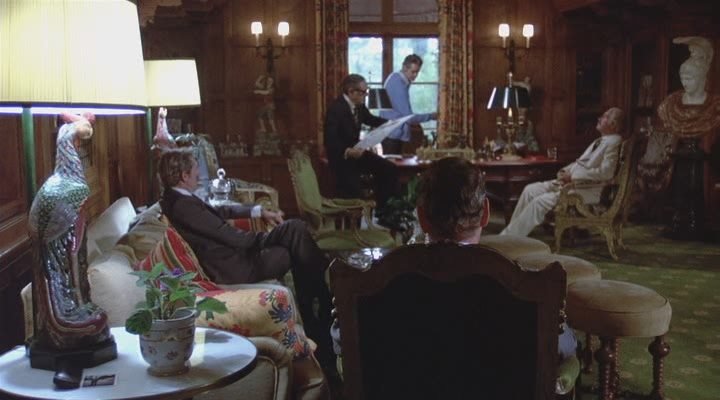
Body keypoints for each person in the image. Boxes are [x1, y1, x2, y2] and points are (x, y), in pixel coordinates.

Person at [157, 148, 335, 373]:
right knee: (295, 229)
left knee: (291, 250)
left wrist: (258, 211)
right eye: (195, 170)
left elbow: (219, 212)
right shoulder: (183, 205)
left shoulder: (178, 198)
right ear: (184, 176)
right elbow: (229, 236)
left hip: (230, 259)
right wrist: (265, 238)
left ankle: (315, 304)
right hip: (231, 268)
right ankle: (325, 294)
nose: (198, 174)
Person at [501, 107, 624, 237]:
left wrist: (573, 176)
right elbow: (581, 162)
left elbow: (606, 172)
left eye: (604, 117)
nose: (599, 118)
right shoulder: (599, 141)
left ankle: (508, 238)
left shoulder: (614, 142)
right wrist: (565, 171)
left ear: (613, 124)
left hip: (586, 189)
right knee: (530, 190)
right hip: (572, 183)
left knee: (539, 202)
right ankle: (511, 235)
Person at [324, 73, 400, 212]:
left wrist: (392, 123)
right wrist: (347, 151)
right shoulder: (336, 109)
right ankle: (356, 217)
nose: (366, 95)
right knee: (353, 187)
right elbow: (330, 139)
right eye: (363, 92)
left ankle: (383, 212)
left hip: (358, 153)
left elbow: (371, 119)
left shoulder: (359, 106)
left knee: (389, 169)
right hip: (342, 158)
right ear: (351, 92)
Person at [380, 54, 438, 154]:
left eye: (417, 72)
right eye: (413, 72)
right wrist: (431, 116)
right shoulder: (398, 84)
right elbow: (408, 117)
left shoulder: (396, 78)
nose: (415, 75)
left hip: (391, 133)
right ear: (404, 68)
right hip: (392, 136)